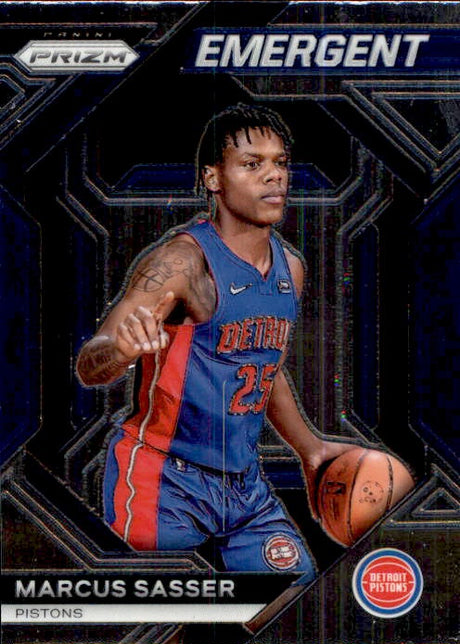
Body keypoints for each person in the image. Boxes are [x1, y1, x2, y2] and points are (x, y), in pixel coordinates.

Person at [76, 103, 357, 576]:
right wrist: (120, 352)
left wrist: (309, 448)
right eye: (252, 164)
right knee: (161, 611)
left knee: (297, 599)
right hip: (165, 478)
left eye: (281, 162)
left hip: (244, 486)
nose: (274, 176)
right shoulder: (182, 263)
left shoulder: (290, 268)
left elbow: (263, 369)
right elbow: (90, 364)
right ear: (213, 178)